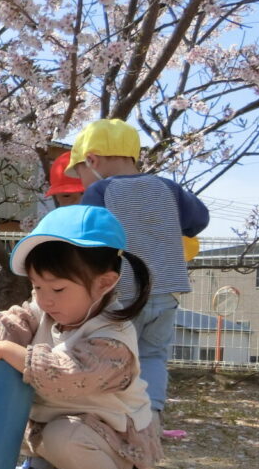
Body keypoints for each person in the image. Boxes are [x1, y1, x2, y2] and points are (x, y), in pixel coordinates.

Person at [0, 205, 161, 469]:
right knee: (26, 412)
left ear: (103, 283)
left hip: (112, 447)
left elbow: (66, 376)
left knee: (62, 434)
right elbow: (17, 319)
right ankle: (50, 468)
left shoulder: (112, 341)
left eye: (57, 289)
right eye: (37, 287)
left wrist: (7, 350)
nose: (45, 300)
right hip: (65, 429)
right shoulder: (46, 310)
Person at [67, 118, 209, 419]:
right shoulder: (167, 188)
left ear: (91, 159)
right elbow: (199, 220)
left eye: (79, 171)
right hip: (165, 292)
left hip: (122, 294)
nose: (81, 182)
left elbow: (86, 241)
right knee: (153, 355)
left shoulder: (100, 192)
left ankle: (105, 415)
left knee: (108, 355)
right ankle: (151, 415)